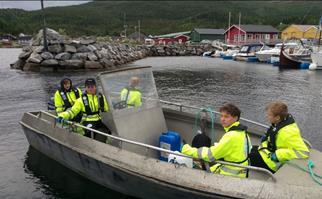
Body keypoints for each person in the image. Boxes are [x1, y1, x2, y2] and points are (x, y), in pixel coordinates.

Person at [181, 103, 251, 178]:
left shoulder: (230, 136)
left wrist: (187, 149)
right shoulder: (243, 132)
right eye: (221, 116)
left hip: (230, 176)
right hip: (241, 172)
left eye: (226, 117)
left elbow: (210, 156)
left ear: (235, 118)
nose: (222, 119)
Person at [249, 101, 310, 173]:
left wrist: (278, 155)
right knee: (251, 148)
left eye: (269, 115)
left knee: (249, 155)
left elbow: (303, 152)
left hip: (275, 163)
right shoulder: (279, 123)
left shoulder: (287, 132)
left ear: (277, 117)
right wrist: (266, 140)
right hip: (270, 152)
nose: (267, 117)